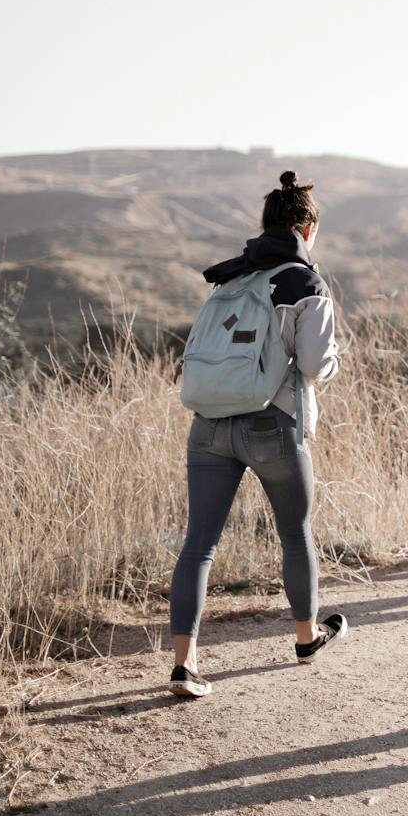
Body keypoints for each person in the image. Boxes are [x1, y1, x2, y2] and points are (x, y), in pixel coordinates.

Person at [168, 171, 347, 699]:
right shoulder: (305, 282)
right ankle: (306, 637)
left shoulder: (230, 279)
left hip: (208, 424)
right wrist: (332, 364)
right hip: (272, 424)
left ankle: (185, 665)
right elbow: (314, 363)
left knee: (198, 545)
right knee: (295, 533)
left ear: (264, 224)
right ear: (307, 227)